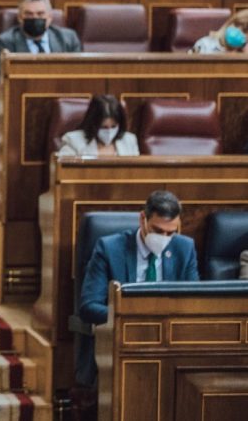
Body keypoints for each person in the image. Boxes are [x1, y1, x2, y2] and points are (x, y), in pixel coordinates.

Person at [76, 190, 199, 392]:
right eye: (158, 231)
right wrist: (132, 320)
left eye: (171, 233)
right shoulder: (110, 248)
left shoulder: (184, 249)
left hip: (168, 343)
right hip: (121, 341)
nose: (165, 238)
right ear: (143, 219)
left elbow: (193, 302)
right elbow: (88, 307)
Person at [0, 0, 81, 83]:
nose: (35, 18)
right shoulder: (5, 42)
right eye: (29, 14)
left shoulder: (68, 39)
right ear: (20, 18)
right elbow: (0, 81)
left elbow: (79, 76)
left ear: (50, 17)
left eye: (40, 14)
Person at [57, 94, 140, 157]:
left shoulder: (129, 141)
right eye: (104, 127)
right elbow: (64, 174)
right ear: (93, 123)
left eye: (113, 126)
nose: (109, 131)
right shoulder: (73, 141)